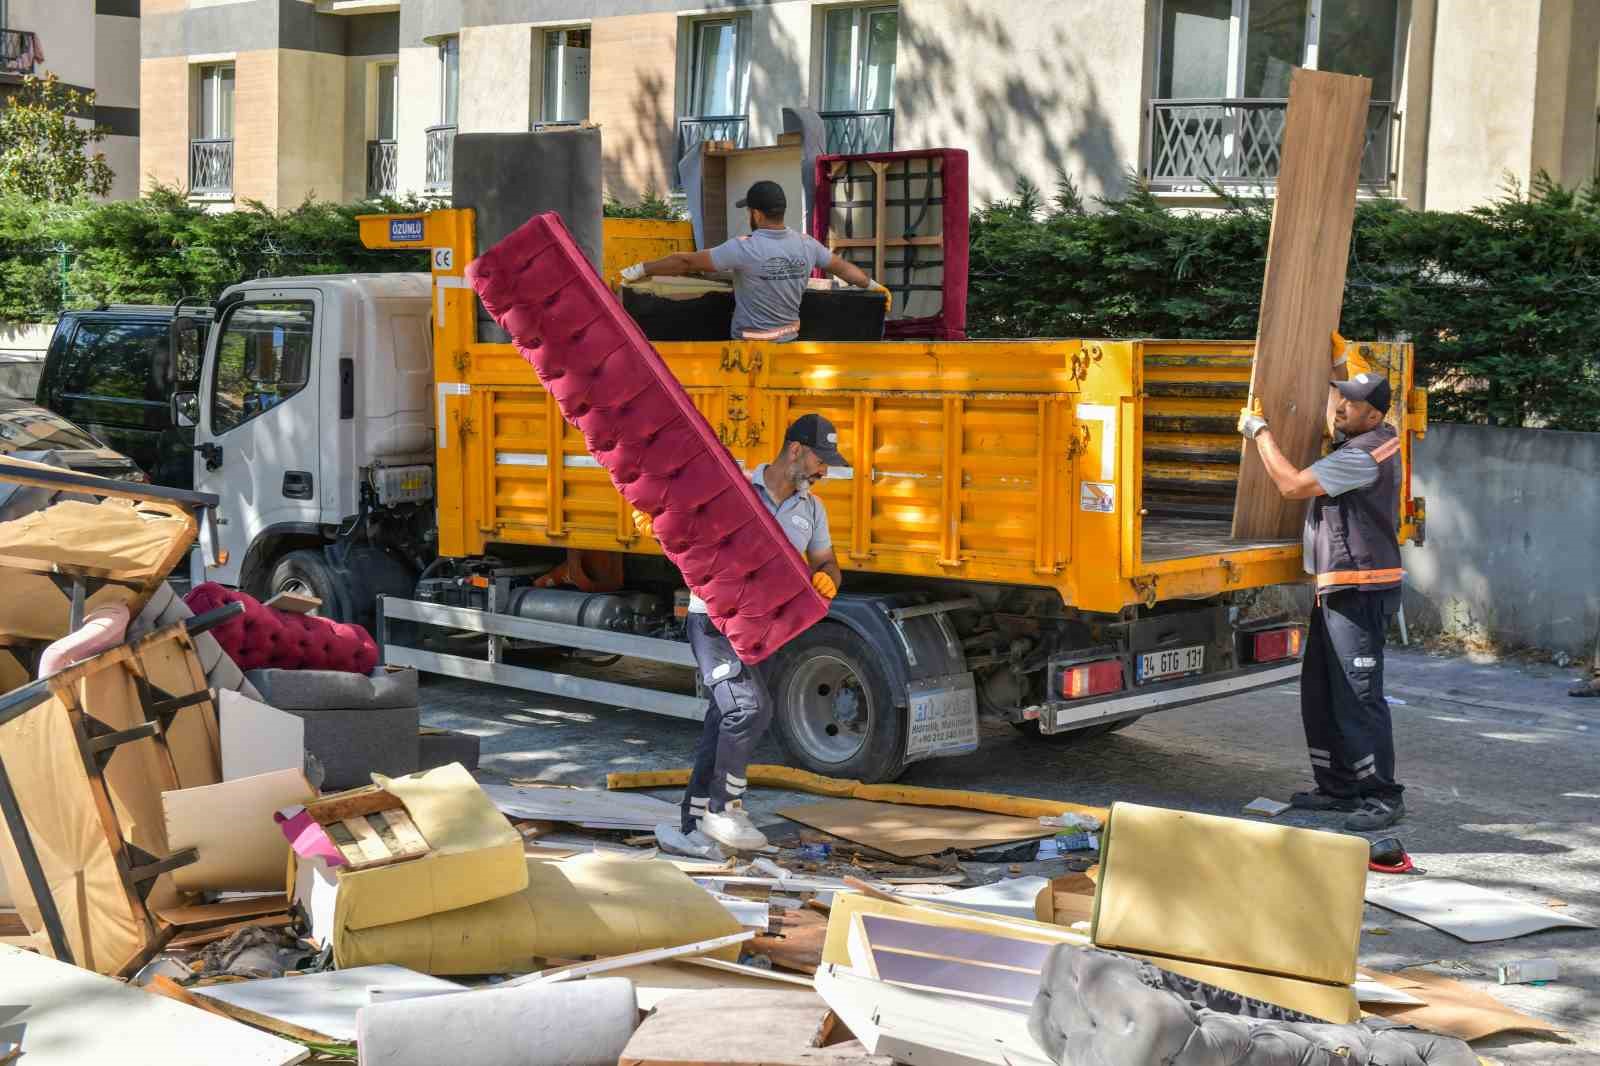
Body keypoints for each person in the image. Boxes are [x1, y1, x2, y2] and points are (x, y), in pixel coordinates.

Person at [633, 414, 847, 854]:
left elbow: (826, 561)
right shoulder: (733, 490)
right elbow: (685, 526)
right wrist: (657, 526)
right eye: (819, 459)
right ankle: (723, 809)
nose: (823, 471)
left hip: (762, 628)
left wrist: (828, 578)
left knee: (723, 717)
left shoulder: (812, 510)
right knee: (748, 709)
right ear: (794, 450)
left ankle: (691, 829)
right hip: (713, 621)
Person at [1238, 372, 1407, 831]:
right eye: (1339, 400)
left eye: (1348, 404)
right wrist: (1339, 357)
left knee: (1358, 694)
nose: (1338, 408)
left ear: (1373, 414)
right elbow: (1338, 396)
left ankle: (1381, 795)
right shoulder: (1366, 439)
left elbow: (1291, 485)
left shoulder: (1361, 456)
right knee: (1321, 691)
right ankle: (1338, 787)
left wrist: (1261, 433)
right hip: (1339, 586)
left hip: (1361, 588)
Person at [620, 180, 888, 342]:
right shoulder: (807, 245)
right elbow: (844, 270)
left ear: (757, 215)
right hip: (789, 341)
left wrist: (641, 269)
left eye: (749, 210)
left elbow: (686, 263)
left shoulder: (743, 249)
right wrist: (874, 286)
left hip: (750, 348)